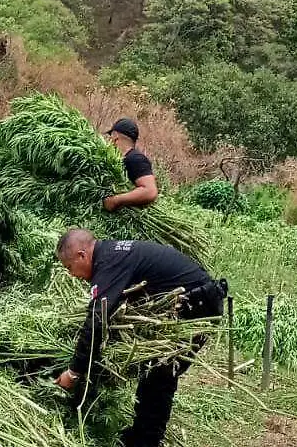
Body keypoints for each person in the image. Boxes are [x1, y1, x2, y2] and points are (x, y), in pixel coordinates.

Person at [55, 229, 227, 447]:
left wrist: (74, 371)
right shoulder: (111, 254)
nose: (72, 274)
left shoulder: (109, 263)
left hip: (198, 307)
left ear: (82, 255)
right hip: (192, 301)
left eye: (70, 267)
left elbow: (97, 320)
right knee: (152, 372)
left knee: (161, 373)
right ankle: (140, 435)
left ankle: (147, 441)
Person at [103, 118, 158, 212]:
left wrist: (115, 200)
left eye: (110, 136)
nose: (109, 141)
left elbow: (150, 191)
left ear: (115, 136)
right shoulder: (123, 159)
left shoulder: (135, 159)